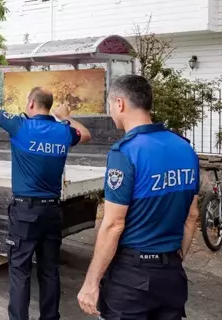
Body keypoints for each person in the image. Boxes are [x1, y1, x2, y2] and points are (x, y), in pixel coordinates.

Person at [0, 65, 92, 320]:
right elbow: (86, 134)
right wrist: (65, 117)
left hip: (25, 212)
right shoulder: (63, 132)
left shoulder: (20, 126)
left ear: (30, 103)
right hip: (52, 211)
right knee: (49, 270)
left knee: (19, 270)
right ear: (48, 106)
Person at [77, 74, 200, 319]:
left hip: (131, 280)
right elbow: (192, 216)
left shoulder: (126, 152)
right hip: (171, 278)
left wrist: (91, 283)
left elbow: (113, 224)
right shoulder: (185, 148)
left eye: (110, 105)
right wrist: (174, 261)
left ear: (120, 104)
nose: (111, 111)